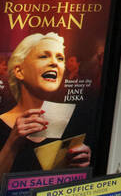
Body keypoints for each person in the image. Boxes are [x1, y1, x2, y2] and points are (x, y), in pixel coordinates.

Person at [0, 33, 91, 175]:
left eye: (60, 58)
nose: (54, 62)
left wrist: (80, 165)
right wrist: (12, 144)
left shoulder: (75, 120)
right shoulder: (2, 123)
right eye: (44, 56)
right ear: (19, 71)